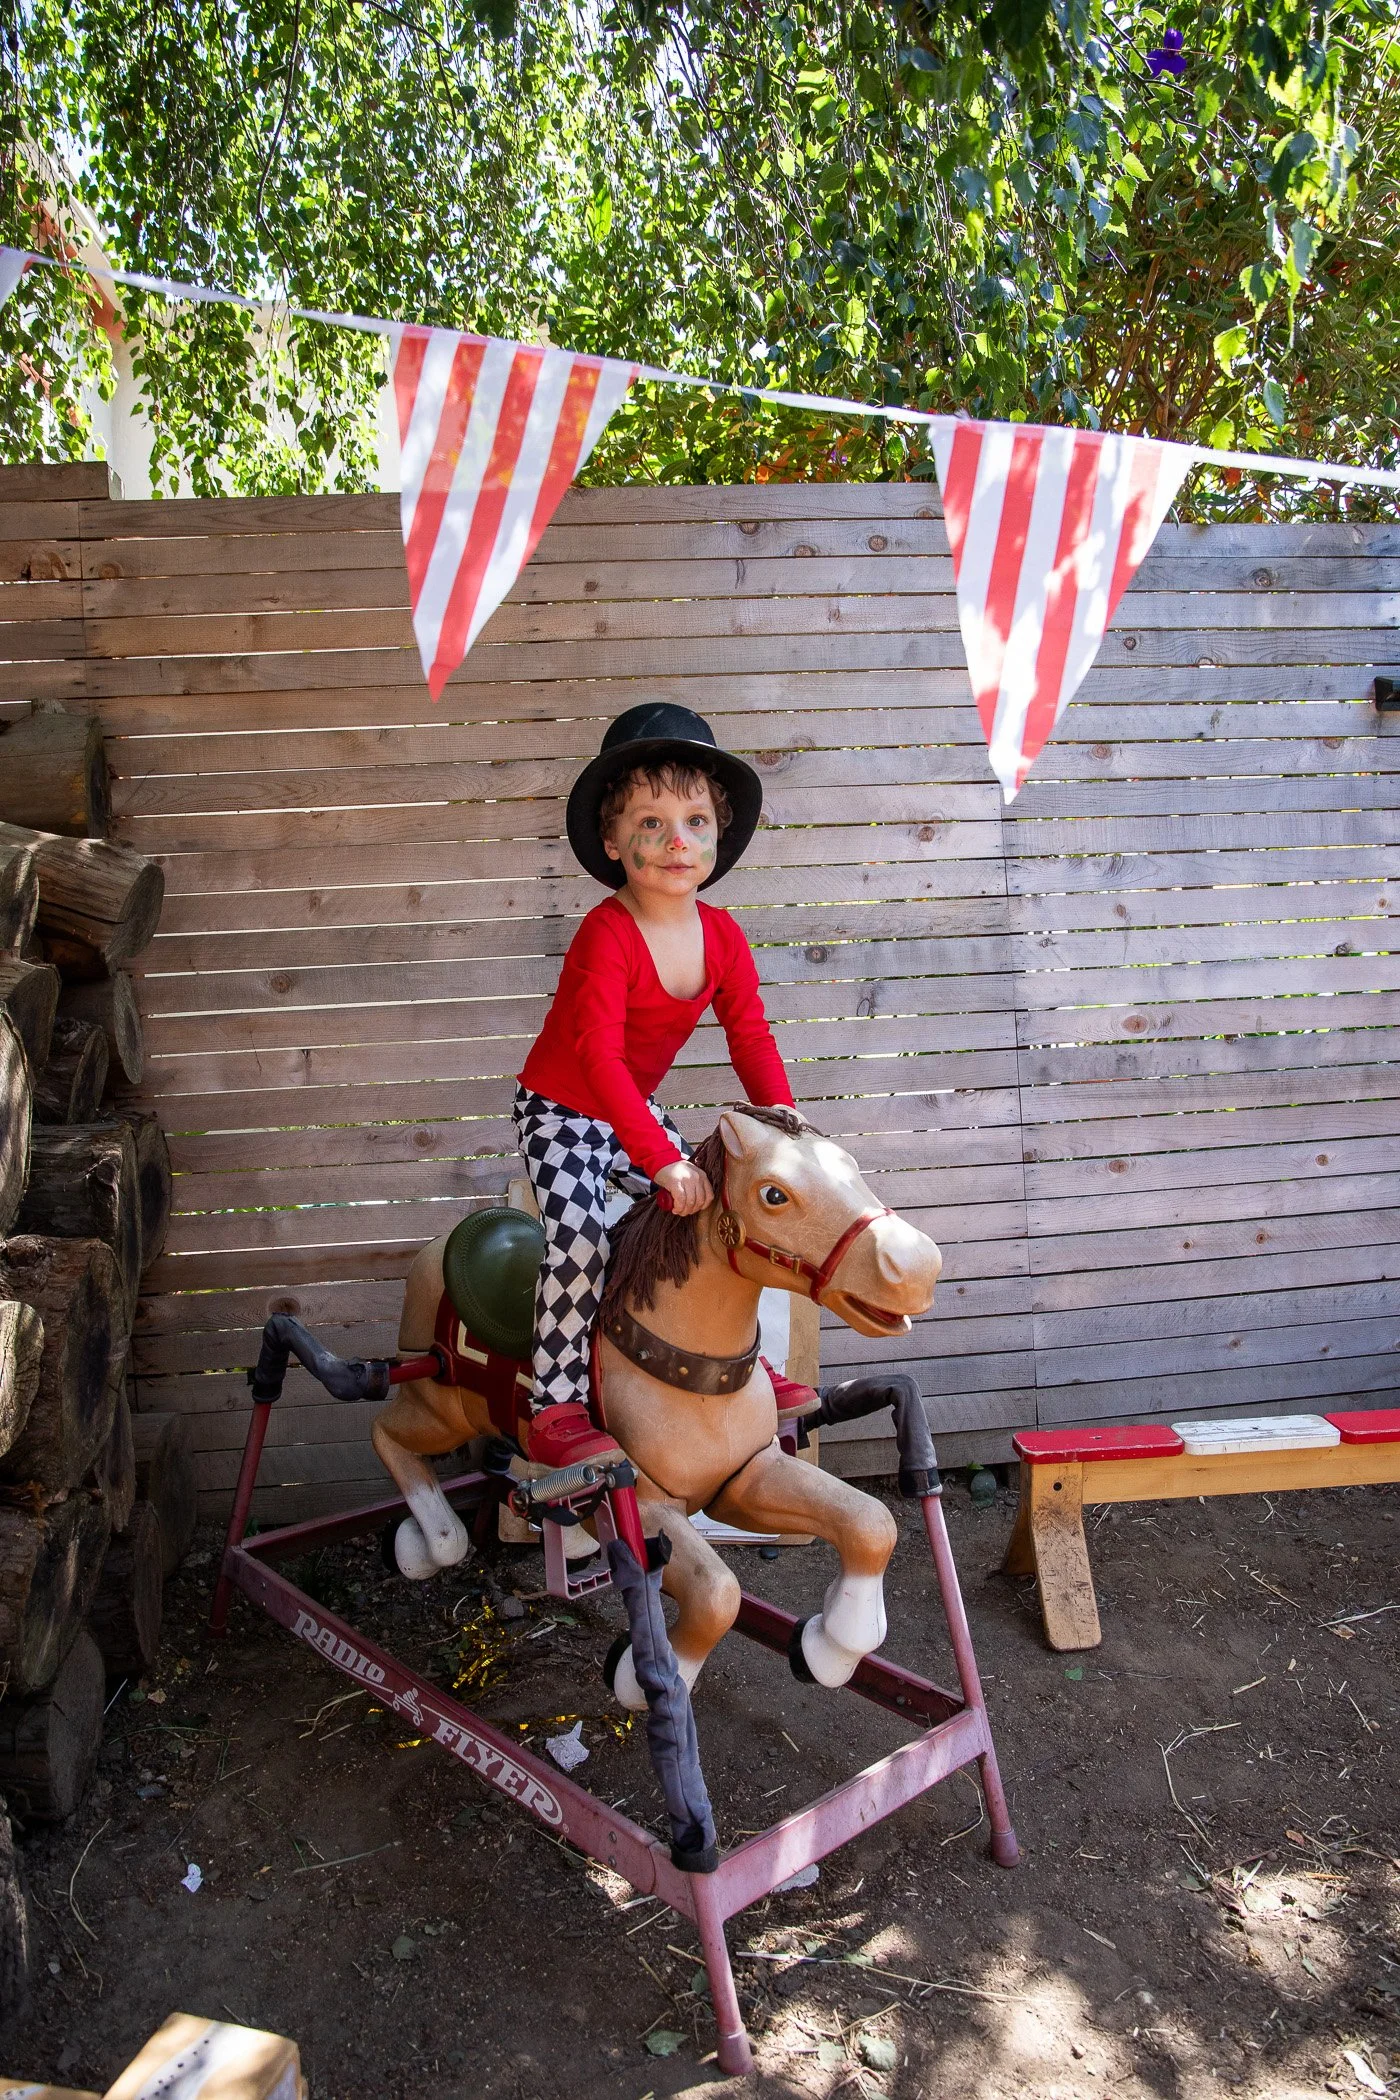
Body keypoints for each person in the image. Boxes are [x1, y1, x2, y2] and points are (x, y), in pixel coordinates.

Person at [515, 702, 796, 1471]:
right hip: (563, 1110)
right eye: (651, 823)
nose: (678, 841)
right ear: (613, 842)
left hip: (627, 1111)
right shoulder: (607, 934)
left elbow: (752, 1038)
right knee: (580, 1240)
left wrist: (787, 1129)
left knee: (738, 1206)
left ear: (718, 836)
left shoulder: (724, 936)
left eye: (696, 822)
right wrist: (662, 1160)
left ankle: (748, 1362)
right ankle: (556, 1403)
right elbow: (598, 1060)